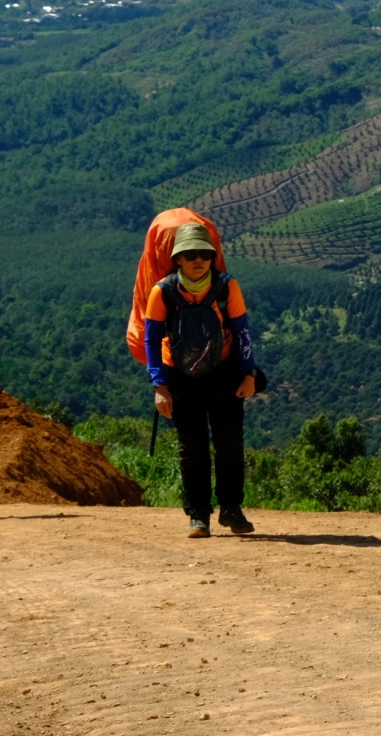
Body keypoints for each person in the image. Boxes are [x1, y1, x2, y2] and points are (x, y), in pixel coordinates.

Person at [144, 222, 260, 538]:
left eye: (204, 254)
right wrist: (159, 386)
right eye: (191, 254)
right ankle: (198, 515)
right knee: (191, 448)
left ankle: (231, 509)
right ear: (178, 259)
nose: (199, 260)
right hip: (181, 379)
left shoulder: (226, 288)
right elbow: (152, 342)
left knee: (230, 444)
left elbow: (242, 332)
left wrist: (249, 374)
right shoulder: (162, 292)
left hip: (224, 373)